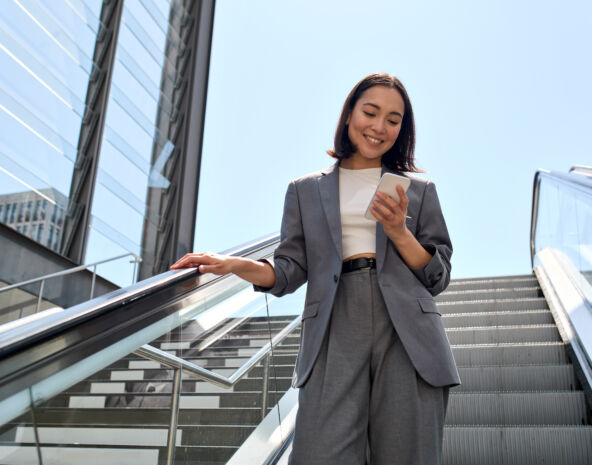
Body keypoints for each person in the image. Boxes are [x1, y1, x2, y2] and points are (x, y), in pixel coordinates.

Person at [171, 73, 460, 465]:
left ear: (402, 129)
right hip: (332, 325)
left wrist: (399, 233)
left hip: (408, 331)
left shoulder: (419, 191)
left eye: (393, 120)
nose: (379, 127)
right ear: (348, 116)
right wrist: (235, 265)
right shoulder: (305, 190)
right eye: (370, 112)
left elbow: (438, 276)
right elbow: (290, 269)